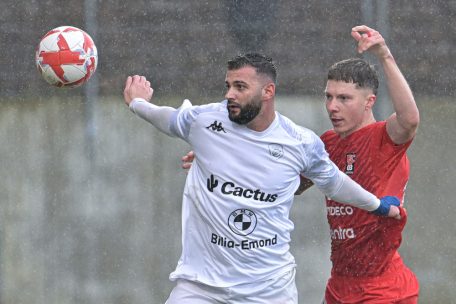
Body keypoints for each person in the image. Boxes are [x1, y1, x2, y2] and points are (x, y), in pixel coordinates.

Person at [123, 53, 402, 304]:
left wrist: (377, 206)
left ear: (268, 91)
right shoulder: (206, 121)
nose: (230, 94)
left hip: (269, 290)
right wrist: (137, 103)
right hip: (201, 287)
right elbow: (167, 119)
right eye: (228, 86)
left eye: (240, 87)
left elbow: (336, 183)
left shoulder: (300, 143)